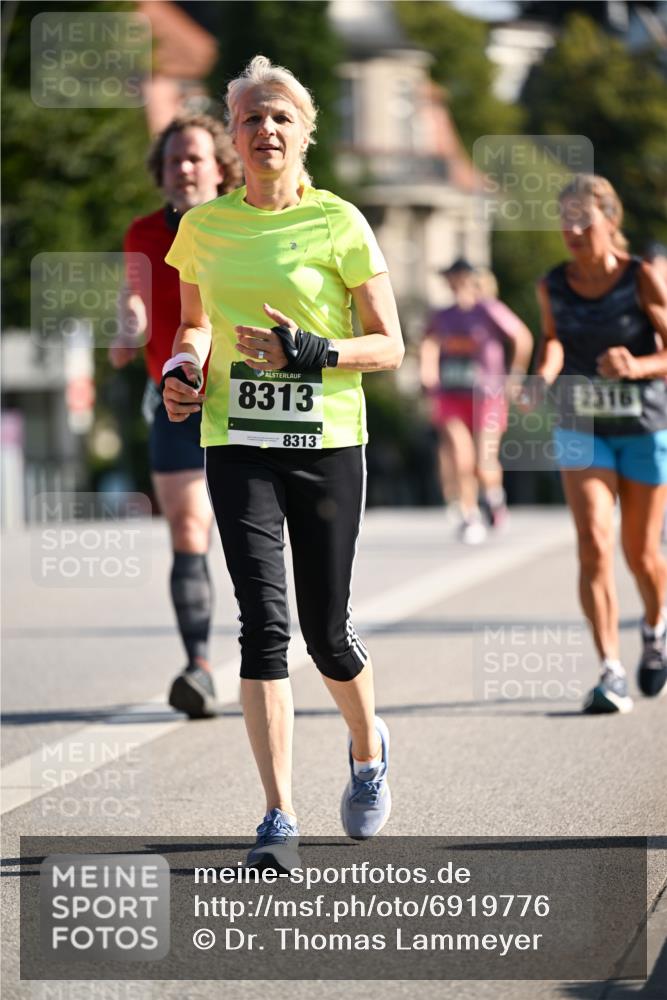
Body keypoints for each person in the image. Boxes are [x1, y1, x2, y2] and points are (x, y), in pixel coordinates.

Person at [161, 56, 404, 867]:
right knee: (262, 630)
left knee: (324, 632)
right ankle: (278, 816)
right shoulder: (204, 229)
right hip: (237, 440)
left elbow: (389, 345)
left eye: (279, 118)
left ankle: (367, 751)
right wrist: (180, 369)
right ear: (234, 138)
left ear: (304, 132)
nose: (264, 130)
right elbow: (194, 325)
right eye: (249, 119)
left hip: (329, 443)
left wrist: (311, 351)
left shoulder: (340, 222)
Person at [109, 113, 242, 718]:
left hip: (250, 398)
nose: (182, 169)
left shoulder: (244, 223)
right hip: (178, 398)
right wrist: (126, 329)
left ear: (219, 167)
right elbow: (130, 309)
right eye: (172, 161)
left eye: (193, 158)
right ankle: (200, 667)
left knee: (253, 531)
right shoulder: (141, 233)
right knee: (189, 530)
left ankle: (281, 649)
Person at [527, 174, 667, 713]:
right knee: (592, 540)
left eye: (584, 218)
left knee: (642, 554)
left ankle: (654, 629)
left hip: (644, 425)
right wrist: (544, 374)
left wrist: (637, 365)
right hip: (580, 422)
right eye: (565, 218)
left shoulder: (641, 278)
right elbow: (555, 338)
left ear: (612, 220)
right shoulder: (553, 283)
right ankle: (610, 669)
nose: (574, 229)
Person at [419, 258, 532, 543]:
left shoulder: (488, 310)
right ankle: (469, 516)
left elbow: (522, 337)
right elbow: (429, 345)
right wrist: (428, 376)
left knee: (484, 460)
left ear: (472, 280)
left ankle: (493, 496)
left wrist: (515, 376)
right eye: (451, 279)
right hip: (451, 394)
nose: (456, 284)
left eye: (461, 278)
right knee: (460, 455)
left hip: (488, 395)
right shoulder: (442, 316)